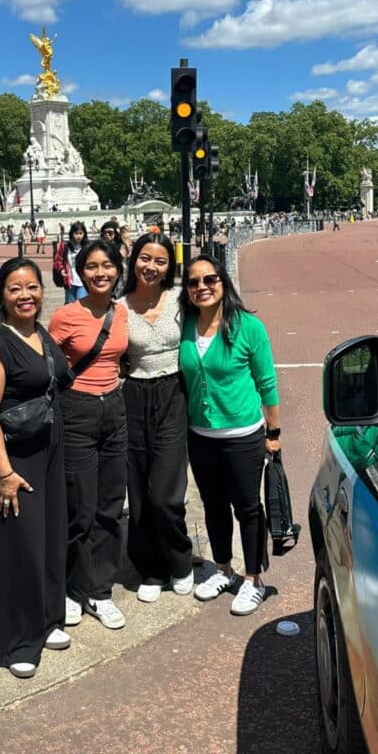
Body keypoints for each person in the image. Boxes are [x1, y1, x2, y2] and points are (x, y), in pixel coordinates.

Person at [0, 258, 71, 678]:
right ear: (2, 295)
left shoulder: (39, 333)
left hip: (48, 447)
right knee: (21, 547)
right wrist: (5, 473)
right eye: (15, 289)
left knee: (50, 539)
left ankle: (47, 619)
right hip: (15, 457)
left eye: (31, 287)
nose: (25, 295)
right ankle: (18, 640)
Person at [179, 253, 281, 616]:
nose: (202, 287)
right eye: (193, 282)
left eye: (210, 280)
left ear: (223, 283)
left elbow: (266, 382)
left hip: (242, 434)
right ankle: (223, 568)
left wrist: (274, 431)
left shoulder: (248, 327)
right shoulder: (186, 326)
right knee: (214, 506)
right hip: (201, 434)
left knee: (248, 508)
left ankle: (254, 579)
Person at [48, 239, 129, 630]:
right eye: (92, 266)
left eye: (107, 266)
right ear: (81, 273)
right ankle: (73, 588)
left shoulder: (121, 312)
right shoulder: (65, 315)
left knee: (111, 506)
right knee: (80, 508)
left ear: (117, 270)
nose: (100, 273)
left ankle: (101, 590)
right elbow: (47, 366)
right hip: (76, 410)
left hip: (114, 408)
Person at [119, 234, 193, 602]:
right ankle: (150, 567)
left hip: (173, 394)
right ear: (134, 260)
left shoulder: (181, 300)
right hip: (132, 394)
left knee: (165, 493)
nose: (151, 266)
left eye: (160, 261)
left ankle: (180, 560)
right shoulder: (120, 307)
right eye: (145, 258)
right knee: (139, 489)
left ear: (170, 266)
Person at [52, 221, 89, 303]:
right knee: (70, 304)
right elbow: (58, 260)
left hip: (83, 281)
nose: (78, 236)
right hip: (70, 281)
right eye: (76, 233)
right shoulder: (65, 246)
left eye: (81, 233)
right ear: (72, 234)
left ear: (84, 234)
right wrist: (61, 269)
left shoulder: (87, 247)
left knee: (81, 304)